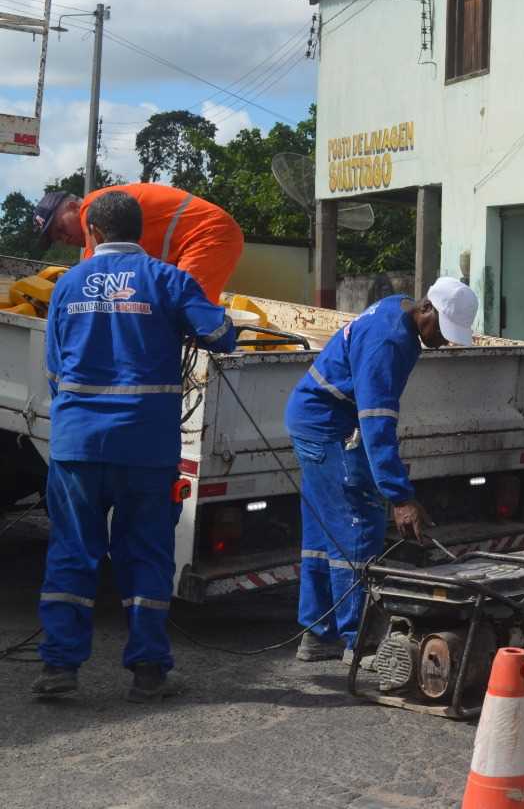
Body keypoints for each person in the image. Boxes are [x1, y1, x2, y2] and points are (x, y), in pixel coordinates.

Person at [31, 191, 237, 701]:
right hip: (146, 446)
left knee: (72, 551)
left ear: (93, 234)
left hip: (78, 444)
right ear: (140, 230)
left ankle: (60, 668)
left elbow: (55, 368)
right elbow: (219, 334)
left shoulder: (66, 285)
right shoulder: (168, 280)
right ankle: (148, 671)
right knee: (145, 553)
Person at [284, 277, 479, 663]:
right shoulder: (388, 342)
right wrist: (399, 497)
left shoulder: (398, 307)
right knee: (356, 525)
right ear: (426, 310)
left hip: (315, 420)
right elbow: (376, 424)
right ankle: (360, 642)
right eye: (441, 330)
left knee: (324, 531)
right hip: (327, 425)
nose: (443, 341)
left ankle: (318, 633)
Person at [33, 182, 246, 302]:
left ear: (72, 206)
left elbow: (93, 276)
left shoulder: (92, 208)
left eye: (61, 229)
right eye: (58, 239)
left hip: (209, 234)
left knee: (187, 307)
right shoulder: (107, 210)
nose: (66, 239)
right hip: (201, 237)